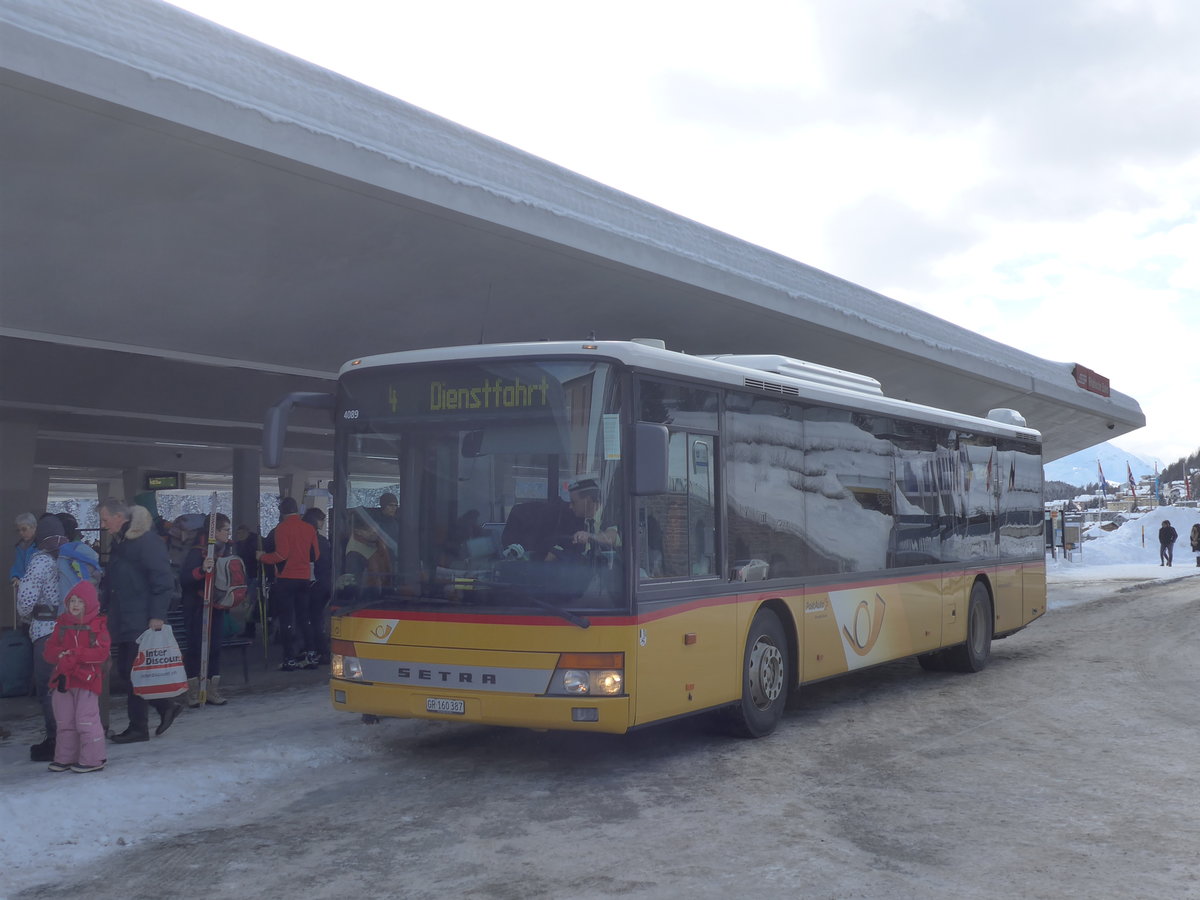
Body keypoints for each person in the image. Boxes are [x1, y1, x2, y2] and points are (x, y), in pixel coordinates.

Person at [99, 498, 183, 743]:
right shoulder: (121, 541)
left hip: (141, 618)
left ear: (120, 517)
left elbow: (162, 580)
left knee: (134, 671)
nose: (103, 525)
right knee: (127, 670)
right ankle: (165, 706)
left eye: (105, 520)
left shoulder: (145, 541)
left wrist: (157, 615)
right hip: (125, 616)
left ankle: (139, 726)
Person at [16, 514, 69, 762]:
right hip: (72, 631)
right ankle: (76, 735)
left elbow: (25, 602)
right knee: (70, 687)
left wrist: (27, 617)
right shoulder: (72, 556)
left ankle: (55, 741)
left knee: (49, 689)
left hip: (46, 632)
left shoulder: (40, 561)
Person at [43, 581, 111, 773]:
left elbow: (101, 653)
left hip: (87, 680)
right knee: (64, 721)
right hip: (63, 680)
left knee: (86, 719)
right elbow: (48, 651)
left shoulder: (98, 625)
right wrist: (60, 654)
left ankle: (94, 758)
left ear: (88, 603)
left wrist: (75, 654)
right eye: (72, 600)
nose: (75, 605)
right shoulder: (62, 625)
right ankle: (65, 757)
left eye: (80, 601)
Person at [257, 497, 320, 671]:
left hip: (286, 578)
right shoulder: (309, 528)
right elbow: (315, 555)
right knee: (304, 618)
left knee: (286, 619)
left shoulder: (281, 529)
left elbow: (281, 555)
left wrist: (262, 557)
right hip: (304, 578)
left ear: (281, 511)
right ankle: (311, 655)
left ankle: (289, 659)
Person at [180, 514, 234, 707]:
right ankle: (193, 691)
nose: (229, 533)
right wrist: (202, 570)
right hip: (196, 607)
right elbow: (185, 579)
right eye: (226, 530)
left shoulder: (225, 550)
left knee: (215, 647)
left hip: (216, 606)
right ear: (216, 531)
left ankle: (211, 689)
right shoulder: (197, 552)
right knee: (196, 648)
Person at [302, 507, 332, 664]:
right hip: (324, 582)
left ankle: (316, 649)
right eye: (321, 519)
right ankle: (322, 650)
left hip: (313, 583)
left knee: (311, 618)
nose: (322, 522)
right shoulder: (322, 540)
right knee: (317, 618)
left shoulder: (307, 539)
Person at [10, 511, 38, 589]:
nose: (21, 533)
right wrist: (15, 576)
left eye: (24, 529)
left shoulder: (40, 545)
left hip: (37, 586)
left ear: (34, 527)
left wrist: (26, 581)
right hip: (24, 587)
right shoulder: (20, 546)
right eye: (19, 530)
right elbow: (18, 565)